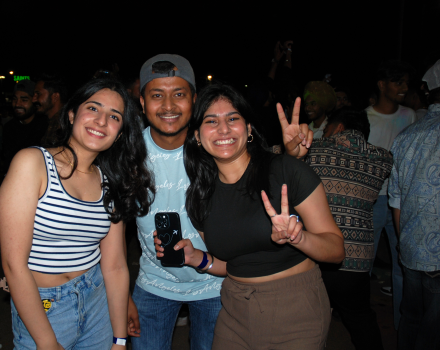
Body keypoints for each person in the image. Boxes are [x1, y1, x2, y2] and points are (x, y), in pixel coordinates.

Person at [129, 54, 313, 350]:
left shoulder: (216, 144)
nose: (168, 106)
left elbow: (264, 177)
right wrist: (120, 297)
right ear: (141, 102)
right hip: (153, 285)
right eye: (156, 95)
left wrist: (294, 156)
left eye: (179, 94)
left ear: (194, 99)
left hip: (218, 284)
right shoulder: (128, 155)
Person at [167, 83, 344, 349]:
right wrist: (196, 258)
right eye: (211, 121)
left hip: (295, 309)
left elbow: (336, 250)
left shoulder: (286, 171)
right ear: (196, 136)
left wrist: (299, 237)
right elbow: (231, 265)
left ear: (249, 129)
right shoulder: (199, 197)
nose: (223, 129)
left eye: (233, 119)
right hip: (235, 311)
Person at [0, 78, 154, 350]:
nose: (101, 121)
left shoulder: (111, 181)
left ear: (120, 133)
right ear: (71, 115)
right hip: (44, 305)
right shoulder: (33, 164)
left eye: (114, 116)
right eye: (93, 108)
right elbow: (14, 265)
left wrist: (119, 340)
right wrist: (47, 342)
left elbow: (115, 265)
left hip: (95, 299)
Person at [306, 108, 392, 349]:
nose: (324, 133)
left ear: (339, 127)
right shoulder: (383, 159)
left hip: (316, 256)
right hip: (356, 261)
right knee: (361, 320)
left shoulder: (313, 150)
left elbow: (272, 154)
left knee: (309, 322)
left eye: (327, 128)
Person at [388, 60, 440, 349]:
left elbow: (397, 200)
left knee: (410, 319)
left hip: (410, 251)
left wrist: (404, 243)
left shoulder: (407, 136)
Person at [366, 60, 416, 329]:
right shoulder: (366, 117)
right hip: (373, 200)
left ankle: (400, 325)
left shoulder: (410, 116)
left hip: (402, 201)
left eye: (406, 82)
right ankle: (362, 320)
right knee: (366, 261)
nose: (404, 88)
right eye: (398, 82)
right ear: (382, 84)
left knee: (401, 262)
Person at [2, 80, 48, 172]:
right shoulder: (9, 128)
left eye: (24, 100)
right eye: (15, 99)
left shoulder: (45, 127)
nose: (17, 104)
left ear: (34, 101)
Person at [32, 73, 68, 146]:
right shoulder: (46, 122)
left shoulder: (65, 124)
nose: (33, 100)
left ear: (55, 97)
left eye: (38, 94)